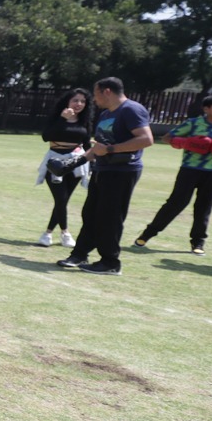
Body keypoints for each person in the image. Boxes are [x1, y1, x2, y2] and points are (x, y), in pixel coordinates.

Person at [57, 77, 154, 276]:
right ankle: (79, 254)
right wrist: (74, 163)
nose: (94, 99)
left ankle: (110, 262)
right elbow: (98, 147)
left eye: (96, 93)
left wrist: (111, 149)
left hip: (123, 172)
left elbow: (146, 139)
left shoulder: (131, 109)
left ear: (107, 91)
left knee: (109, 217)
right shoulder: (106, 114)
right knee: (90, 214)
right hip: (103, 170)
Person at [133, 95, 212, 256]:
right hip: (189, 170)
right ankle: (147, 235)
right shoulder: (193, 123)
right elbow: (167, 138)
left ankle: (198, 242)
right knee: (175, 203)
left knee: (204, 207)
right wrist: (188, 143)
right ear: (206, 109)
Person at [36, 88, 91, 247]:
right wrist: (62, 119)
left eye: (83, 101)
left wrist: (92, 164)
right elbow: (46, 137)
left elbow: (87, 143)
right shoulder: (56, 117)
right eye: (75, 100)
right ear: (67, 101)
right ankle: (65, 233)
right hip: (54, 161)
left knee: (63, 200)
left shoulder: (84, 120)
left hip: (76, 163)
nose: (79, 104)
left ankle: (47, 234)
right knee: (60, 198)